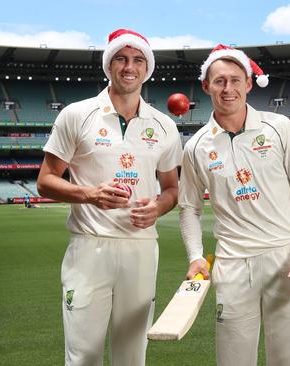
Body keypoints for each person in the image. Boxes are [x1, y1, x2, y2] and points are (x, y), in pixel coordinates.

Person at [36, 29, 182, 365]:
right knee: (83, 355)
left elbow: (172, 189)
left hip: (142, 248)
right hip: (90, 247)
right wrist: (89, 194)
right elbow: (45, 181)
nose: (129, 66)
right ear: (109, 65)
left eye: (138, 60)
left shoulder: (163, 126)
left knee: (132, 354)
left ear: (147, 69)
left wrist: (158, 207)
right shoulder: (77, 114)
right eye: (121, 58)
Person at [179, 44, 290, 366]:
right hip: (231, 266)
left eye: (235, 80)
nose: (227, 88)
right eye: (219, 81)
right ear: (206, 86)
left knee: (288, 360)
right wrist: (195, 256)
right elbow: (189, 207)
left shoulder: (279, 127)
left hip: (285, 260)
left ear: (248, 83)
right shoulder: (196, 147)